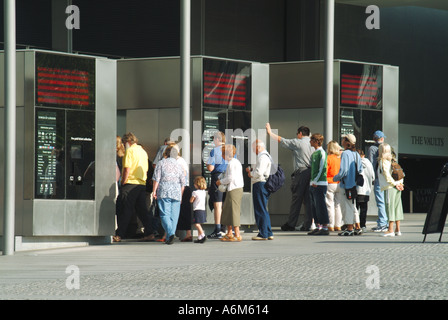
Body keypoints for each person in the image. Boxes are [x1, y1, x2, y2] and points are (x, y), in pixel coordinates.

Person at [266, 123, 314, 231]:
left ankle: (291, 223)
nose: (297, 135)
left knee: (296, 199)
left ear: (300, 134)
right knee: (308, 200)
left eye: (297, 134)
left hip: (301, 173)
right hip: (311, 173)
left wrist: (270, 133)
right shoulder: (313, 143)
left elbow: (282, 140)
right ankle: (308, 224)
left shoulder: (298, 142)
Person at [114, 133, 155, 243]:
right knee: (142, 211)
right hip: (141, 184)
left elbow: (127, 169)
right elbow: (146, 169)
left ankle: (119, 234)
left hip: (130, 183)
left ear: (127, 142)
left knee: (125, 209)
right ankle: (150, 232)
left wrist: (123, 182)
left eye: (124, 143)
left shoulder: (130, 151)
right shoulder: (143, 152)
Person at [152, 145, 186, 245]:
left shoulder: (161, 163)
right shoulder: (179, 165)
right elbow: (183, 183)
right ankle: (169, 237)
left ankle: (170, 233)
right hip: (177, 192)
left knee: (164, 214)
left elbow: (157, 178)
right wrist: (181, 195)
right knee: (174, 216)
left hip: (164, 191)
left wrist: (154, 191)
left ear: (166, 153)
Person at [333, 134, 363, 236]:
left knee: (346, 207)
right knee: (352, 206)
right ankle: (355, 227)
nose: (341, 140)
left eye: (343, 139)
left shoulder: (345, 154)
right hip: (354, 184)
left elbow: (343, 171)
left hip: (346, 185)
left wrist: (335, 178)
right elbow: (360, 169)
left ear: (346, 142)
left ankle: (349, 228)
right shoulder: (356, 154)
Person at [246, 140, 274, 241]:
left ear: (258, 147)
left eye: (254, 148)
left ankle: (263, 234)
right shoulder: (267, 156)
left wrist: (250, 174)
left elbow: (259, 172)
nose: (254, 150)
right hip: (264, 183)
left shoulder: (262, 157)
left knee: (259, 209)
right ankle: (268, 232)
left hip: (260, 184)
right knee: (263, 209)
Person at [216, 144, 244, 242]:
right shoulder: (236, 162)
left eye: (222, 154)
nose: (221, 156)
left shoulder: (232, 163)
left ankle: (237, 234)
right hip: (234, 188)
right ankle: (229, 232)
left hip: (234, 189)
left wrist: (221, 182)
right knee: (228, 211)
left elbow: (230, 178)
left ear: (225, 154)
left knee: (233, 211)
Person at [377, 143, 404, 237]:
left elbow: (387, 176)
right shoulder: (392, 160)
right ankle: (398, 229)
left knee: (390, 207)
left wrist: (395, 184)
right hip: (397, 186)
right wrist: (400, 184)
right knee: (397, 207)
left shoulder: (383, 161)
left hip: (390, 187)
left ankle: (390, 230)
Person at [206, 131, 228, 239]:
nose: (213, 142)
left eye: (214, 139)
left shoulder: (214, 151)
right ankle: (227, 229)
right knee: (226, 204)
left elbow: (211, 168)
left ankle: (218, 229)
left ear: (217, 139)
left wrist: (207, 163)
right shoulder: (231, 149)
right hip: (229, 177)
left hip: (218, 178)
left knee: (218, 205)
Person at [307, 134, 329, 235]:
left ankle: (324, 227)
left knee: (320, 205)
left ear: (316, 141)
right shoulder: (314, 153)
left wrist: (315, 180)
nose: (310, 142)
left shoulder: (322, 153)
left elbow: (322, 168)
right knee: (314, 206)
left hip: (320, 183)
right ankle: (318, 225)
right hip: (314, 183)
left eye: (311, 140)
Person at [367, 130, 388, 232]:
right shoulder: (387, 147)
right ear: (382, 138)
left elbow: (371, 164)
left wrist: (372, 178)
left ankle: (382, 223)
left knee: (380, 201)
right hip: (387, 178)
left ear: (374, 139)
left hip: (378, 177)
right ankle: (386, 222)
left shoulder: (372, 148)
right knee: (386, 201)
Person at [174, 144, 193, 242]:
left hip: (182, 188)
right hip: (184, 187)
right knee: (184, 212)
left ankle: (169, 234)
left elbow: (184, 174)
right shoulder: (180, 160)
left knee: (181, 211)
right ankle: (187, 234)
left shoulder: (179, 161)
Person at [325, 141, 343, 232]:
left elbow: (325, 171)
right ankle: (338, 225)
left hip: (330, 182)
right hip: (339, 183)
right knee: (338, 205)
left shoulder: (328, 158)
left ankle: (330, 225)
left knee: (329, 204)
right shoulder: (340, 158)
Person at [356, 149, 375, 233]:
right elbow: (373, 176)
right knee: (364, 209)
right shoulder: (369, 163)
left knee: (355, 209)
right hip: (366, 190)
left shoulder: (355, 163)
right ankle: (363, 225)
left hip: (357, 189)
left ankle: (356, 225)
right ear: (363, 155)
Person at [190, 176, 208, 243]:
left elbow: (191, 200)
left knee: (196, 224)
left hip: (197, 209)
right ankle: (199, 237)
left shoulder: (195, 192)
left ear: (197, 185)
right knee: (199, 223)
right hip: (202, 209)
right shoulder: (204, 192)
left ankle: (203, 235)